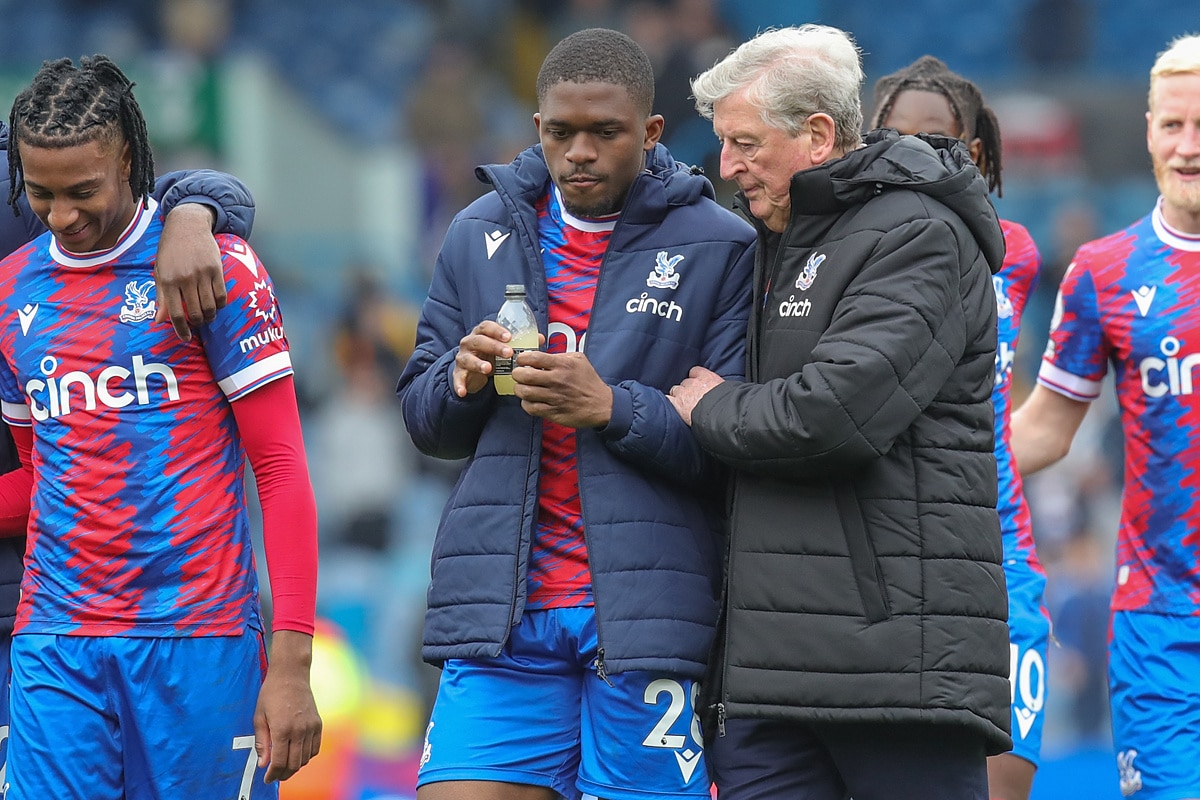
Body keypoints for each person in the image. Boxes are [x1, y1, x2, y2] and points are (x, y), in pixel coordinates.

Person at [395, 27, 756, 800]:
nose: (580, 151)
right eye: (562, 132)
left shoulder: (720, 245)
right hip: (504, 613)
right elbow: (423, 424)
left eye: (605, 132)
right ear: (537, 129)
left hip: (643, 618)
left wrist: (609, 408)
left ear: (651, 132)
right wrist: (455, 381)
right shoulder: (478, 232)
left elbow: (732, 449)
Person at [667, 24, 1012, 800]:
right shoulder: (768, 240)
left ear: (819, 135)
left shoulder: (919, 234)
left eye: (745, 142)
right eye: (724, 144)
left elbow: (834, 417)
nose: (728, 166)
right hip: (765, 681)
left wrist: (711, 406)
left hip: (895, 675)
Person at [0, 55, 320, 799]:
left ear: (131, 161)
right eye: (40, 194)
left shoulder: (216, 269)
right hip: (56, 642)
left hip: (200, 640)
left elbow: (279, 469)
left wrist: (293, 663)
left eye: (84, 192)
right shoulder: (13, 290)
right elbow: (45, 477)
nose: (62, 216)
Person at [1010, 33, 1200, 800]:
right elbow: (1043, 432)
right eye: (1172, 126)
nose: (1188, 148)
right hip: (1160, 618)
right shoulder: (1103, 271)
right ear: (1149, 127)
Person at [870, 55, 1049, 800]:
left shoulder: (1016, 254)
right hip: (886, 562)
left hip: (1000, 559)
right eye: (894, 137)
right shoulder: (846, 253)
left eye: (932, 138)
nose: (911, 153)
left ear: (972, 154)